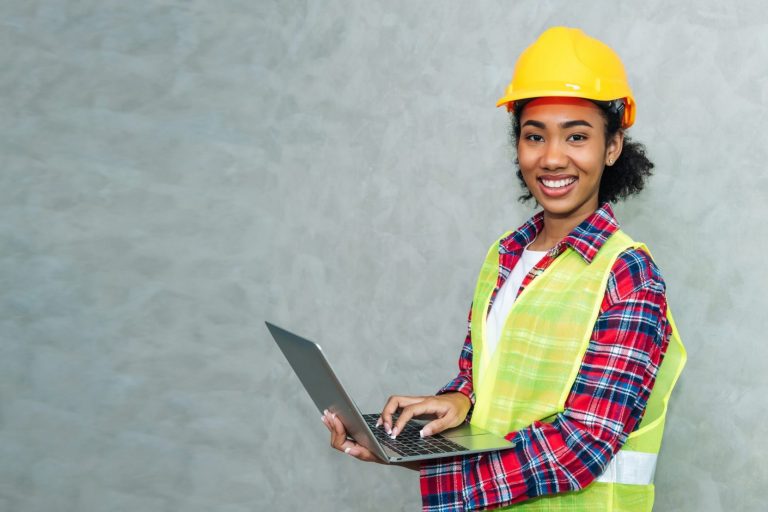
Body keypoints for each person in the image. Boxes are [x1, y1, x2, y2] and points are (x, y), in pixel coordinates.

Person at [322, 26, 686, 511]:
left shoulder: (627, 274)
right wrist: (432, 422)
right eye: (535, 136)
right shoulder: (505, 255)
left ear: (613, 145)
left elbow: (582, 447)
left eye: (577, 135)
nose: (553, 157)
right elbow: (487, 384)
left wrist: (444, 485)